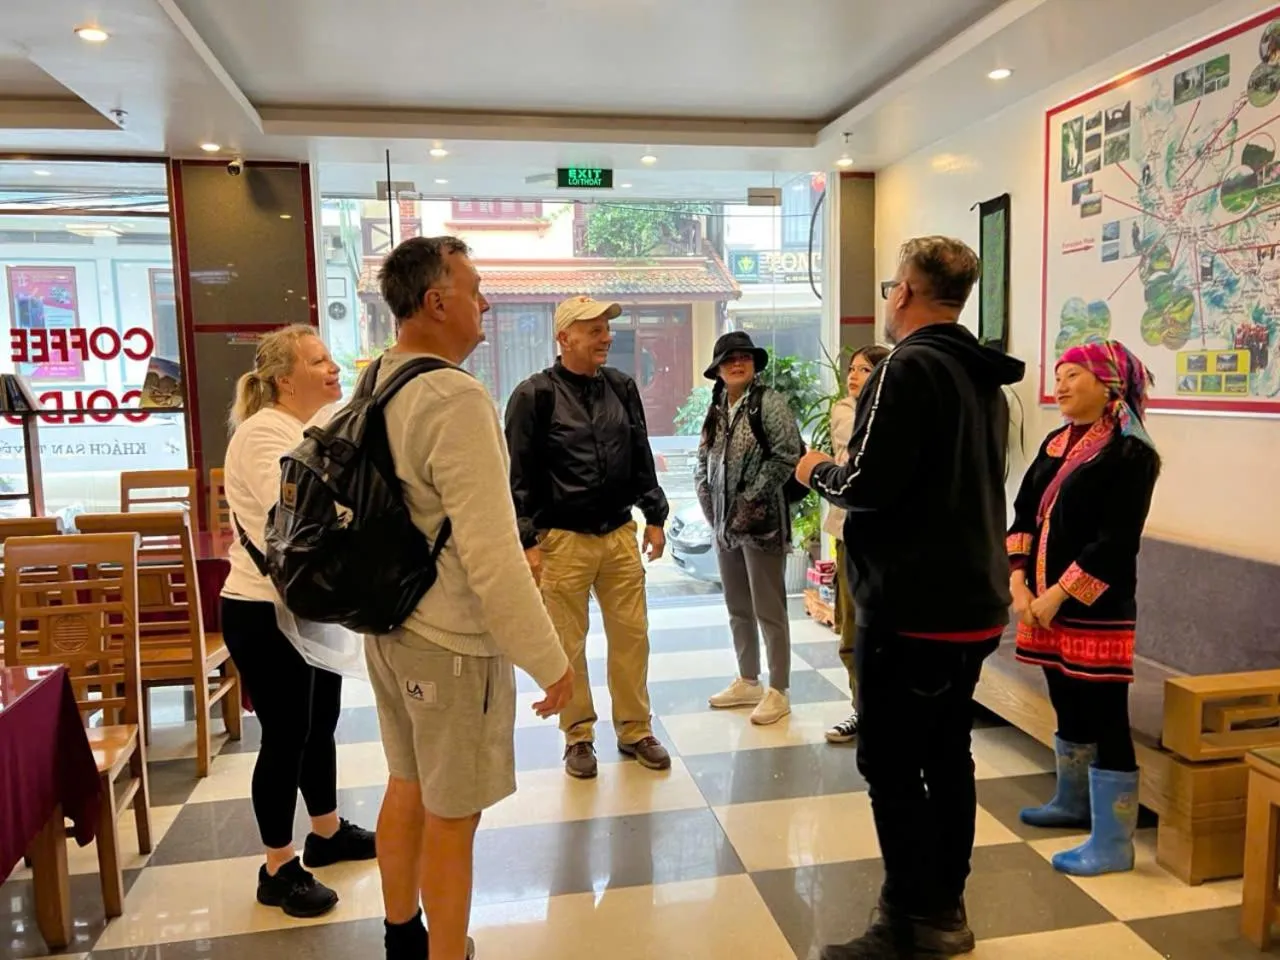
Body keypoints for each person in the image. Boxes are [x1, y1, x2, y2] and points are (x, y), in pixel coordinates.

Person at [797, 236, 1025, 960]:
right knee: (947, 754)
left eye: (893, 286)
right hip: (971, 602)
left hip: (912, 606)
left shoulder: (907, 367)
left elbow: (866, 485)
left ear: (904, 294)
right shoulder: (983, 377)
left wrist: (814, 470)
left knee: (891, 764)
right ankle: (944, 910)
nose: (889, 299)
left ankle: (909, 921)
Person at [367, 236, 575, 960]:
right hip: (451, 641)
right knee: (453, 814)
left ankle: (403, 936)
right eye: (476, 287)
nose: (485, 301)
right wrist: (552, 661)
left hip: (390, 626)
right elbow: (491, 555)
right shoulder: (453, 397)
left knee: (407, 783)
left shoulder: (377, 383)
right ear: (436, 301)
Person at [221, 323, 375, 918]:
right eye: (318, 360)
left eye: (331, 358)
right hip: (262, 608)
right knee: (285, 735)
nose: (333, 368)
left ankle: (327, 831)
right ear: (285, 379)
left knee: (320, 723)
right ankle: (278, 866)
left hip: (307, 604)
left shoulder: (309, 426)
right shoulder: (263, 434)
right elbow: (295, 512)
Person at [1008, 340, 1159, 878]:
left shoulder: (1131, 453)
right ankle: (1071, 803)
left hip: (1096, 608)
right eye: (1059, 374)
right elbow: (1025, 512)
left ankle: (1114, 844)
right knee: (1066, 702)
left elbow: (1115, 543)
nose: (1062, 384)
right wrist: (1020, 582)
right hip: (1041, 605)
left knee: (1105, 716)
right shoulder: (1055, 443)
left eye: (1074, 374)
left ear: (1109, 384)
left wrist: (1056, 595)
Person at [504, 296, 671, 780]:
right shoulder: (534, 396)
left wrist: (655, 514)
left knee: (632, 637)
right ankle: (578, 735)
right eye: (594, 329)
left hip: (619, 533)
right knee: (567, 644)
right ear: (565, 338)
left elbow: (640, 452)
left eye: (606, 329)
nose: (606, 337)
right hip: (562, 541)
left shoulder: (621, 387)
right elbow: (520, 476)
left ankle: (635, 728)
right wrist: (528, 541)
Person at [696, 331, 804, 727]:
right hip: (724, 526)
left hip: (762, 526)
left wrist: (750, 499)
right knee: (738, 607)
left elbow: (787, 455)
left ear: (754, 363)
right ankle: (748, 679)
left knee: (769, 608)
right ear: (719, 369)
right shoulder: (717, 406)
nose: (737, 363)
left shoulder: (769, 403)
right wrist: (709, 504)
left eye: (743, 357)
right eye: (728, 359)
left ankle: (779, 689)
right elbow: (703, 457)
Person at [824, 344, 890, 745]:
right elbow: (860, 444)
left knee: (884, 628)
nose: (853, 376)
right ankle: (860, 709)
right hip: (851, 532)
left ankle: (883, 712)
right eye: (851, 368)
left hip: (889, 537)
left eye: (864, 370)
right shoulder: (845, 410)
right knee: (851, 626)